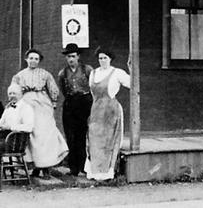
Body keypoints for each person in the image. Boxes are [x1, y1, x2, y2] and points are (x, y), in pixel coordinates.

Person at [11, 48, 68, 178]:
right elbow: (13, 90)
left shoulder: (45, 74)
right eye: (31, 58)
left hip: (42, 104)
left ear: (39, 61)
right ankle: (35, 166)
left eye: (36, 59)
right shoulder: (19, 75)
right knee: (31, 135)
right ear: (26, 59)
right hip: (27, 103)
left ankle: (46, 166)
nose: (33, 61)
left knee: (45, 134)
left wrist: (53, 103)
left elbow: (53, 89)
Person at [85, 46, 131, 181]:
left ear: (110, 59)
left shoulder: (117, 73)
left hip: (111, 111)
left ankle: (107, 172)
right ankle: (94, 172)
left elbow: (132, 84)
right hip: (96, 111)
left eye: (105, 58)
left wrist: (131, 70)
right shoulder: (93, 73)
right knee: (94, 140)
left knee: (109, 141)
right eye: (100, 58)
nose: (102, 60)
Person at [58, 43, 93, 176]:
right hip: (70, 104)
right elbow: (63, 89)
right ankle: (73, 168)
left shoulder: (87, 69)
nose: (71, 59)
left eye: (73, 56)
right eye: (68, 57)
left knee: (82, 135)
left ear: (78, 56)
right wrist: (70, 100)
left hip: (85, 103)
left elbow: (93, 86)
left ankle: (83, 166)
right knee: (70, 136)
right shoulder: (63, 73)